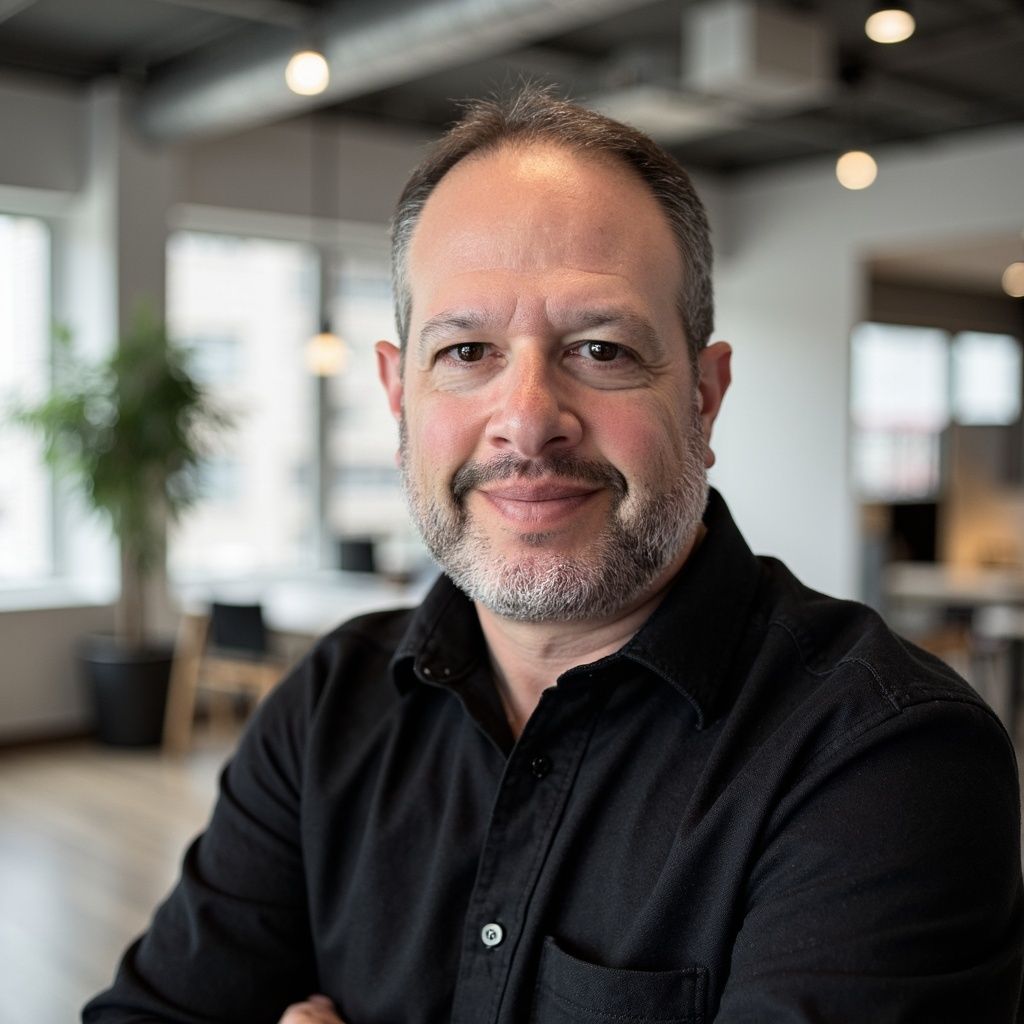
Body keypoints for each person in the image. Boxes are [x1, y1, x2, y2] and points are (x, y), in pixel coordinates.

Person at [85, 87, 1023, 1024]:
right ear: (398, 395)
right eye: (465, 351)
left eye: (602, 348)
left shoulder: (884, 758)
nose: (529, 419)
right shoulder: (328, 709)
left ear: (703, 397)